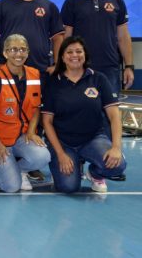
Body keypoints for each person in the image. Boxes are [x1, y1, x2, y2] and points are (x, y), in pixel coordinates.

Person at [41, 36, 126, 193]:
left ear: (85, 55)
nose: (75, 55)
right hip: (63, 142)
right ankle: (70, 165)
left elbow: (114, 116)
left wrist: (116, 147)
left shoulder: (98, 78)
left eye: (79, 51)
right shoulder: (53, 82)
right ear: (62, 57)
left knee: (118, 165)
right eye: (70, 52)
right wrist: (60, 154)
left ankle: (94, 174)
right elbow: (47, 122)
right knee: (68, 187)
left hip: (92, 139)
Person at [0, 34, 50, 192]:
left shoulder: (35, 75)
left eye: (22, 50)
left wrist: (32, 132)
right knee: (11, 187)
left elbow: (36, 107)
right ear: (4, 53)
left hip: (21, 137)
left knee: (43, 156)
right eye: (13, 49)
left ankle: (19, 169)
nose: (18, 54)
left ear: (27, 52)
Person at [61, 0, 135, 92]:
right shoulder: (71, 2)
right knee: (81, 112)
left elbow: (123, 37)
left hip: (110, 69)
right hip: (79, 68)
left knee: (110, 112)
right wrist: (63, 66)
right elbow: (66, 38)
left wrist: (129, 66)